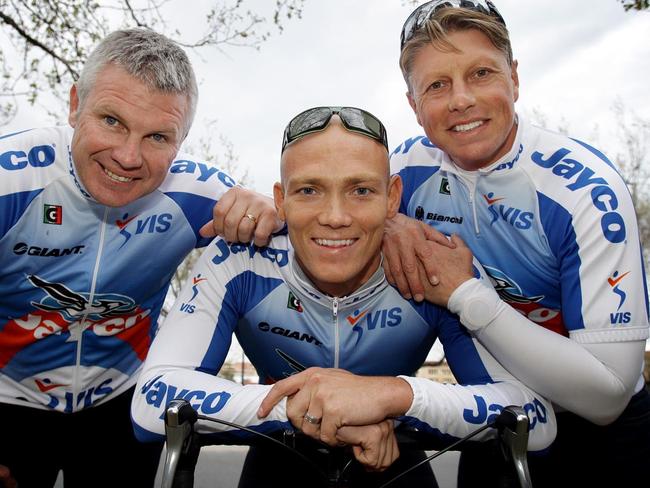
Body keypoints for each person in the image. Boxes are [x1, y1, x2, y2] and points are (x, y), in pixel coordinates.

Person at [132, 106, 556, 488]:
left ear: (392, 198)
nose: (335, 217)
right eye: (309, 190)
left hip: (398, 464)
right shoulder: (240, 258)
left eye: (361, 191)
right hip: (279, 459)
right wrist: (309, 407)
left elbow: (535, 419)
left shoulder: (433, 263)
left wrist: (395, 396)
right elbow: (152, 401)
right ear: (281, 200)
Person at [380, 1, 650, 486]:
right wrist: (383, 221)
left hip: (601, 435)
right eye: (437, 85)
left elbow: (608, 397)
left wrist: (466, 295)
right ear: (413, 105)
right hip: (496, 417)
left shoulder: (585, 191)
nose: (460, 99)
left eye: (481, 73)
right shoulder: (402, 173)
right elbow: (322, 203)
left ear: (515, 79)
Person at [0, 28, 278, 487]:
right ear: (75, 105)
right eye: (111, 120)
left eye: (157, 137)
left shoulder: (197, 193)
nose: (128, 156)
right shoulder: (13, 178)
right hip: (10, 399)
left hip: (121, 402)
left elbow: (307, 238)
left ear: (181, 140)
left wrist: (271, 213)